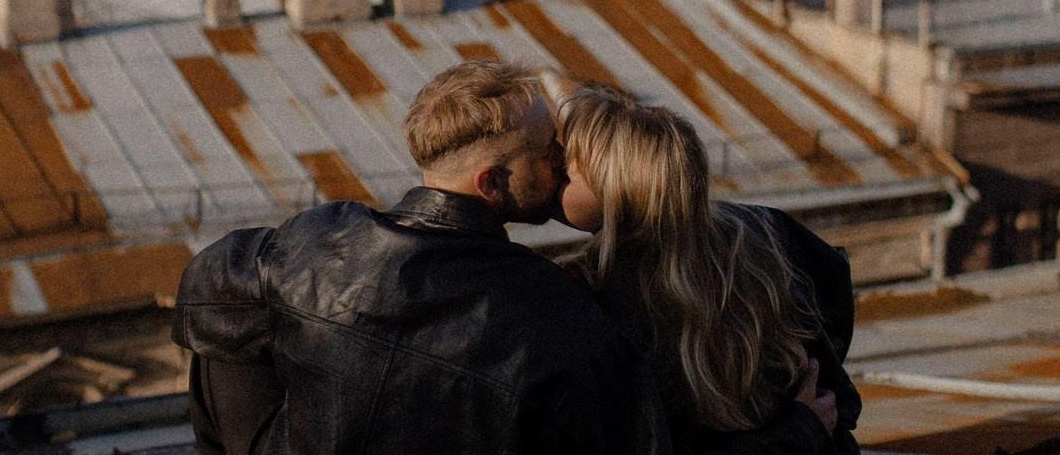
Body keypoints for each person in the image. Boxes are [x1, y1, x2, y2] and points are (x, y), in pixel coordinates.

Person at [172, 60, 674, 455]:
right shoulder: (560, 317)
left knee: (233, 323)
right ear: (492, 184)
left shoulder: (321, 239)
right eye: (549, 152)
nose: (564, 161)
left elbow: (202, 288)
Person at [557, 84, 863, 455]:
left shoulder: (585, 291)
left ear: (615, 187)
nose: (554, 174)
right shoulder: (759, 242)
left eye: (566, 166)